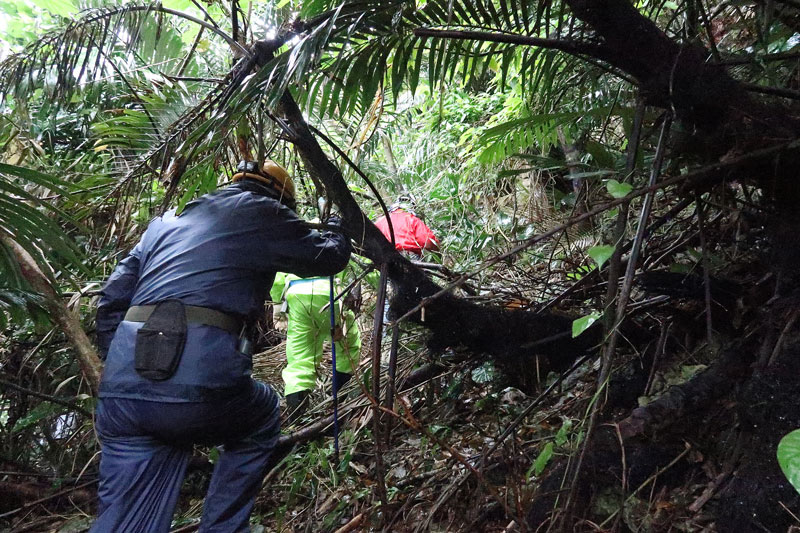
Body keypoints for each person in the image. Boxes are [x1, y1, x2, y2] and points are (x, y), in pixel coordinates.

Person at [92, 160, 351, 533]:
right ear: (282, 199)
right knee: (261, 414)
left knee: (124, 519)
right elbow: (327, 257)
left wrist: (116, 362)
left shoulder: (162, 225)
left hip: (121, 393)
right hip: (200, 389)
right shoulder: (264, 211)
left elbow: (112, 300)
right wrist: (339, 227)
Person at [270, 272, 361, 421]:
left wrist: (277, 303)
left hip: (297, 296)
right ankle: (339, 406)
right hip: (330, 294)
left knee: (299, 360)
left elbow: (277, 271)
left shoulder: (292, 246)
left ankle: (297, 424)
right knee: (347, 348)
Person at [374, 194, 439, 258]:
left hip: (383, 258)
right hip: (408, 257)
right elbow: (428, 242)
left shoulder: (380, 221)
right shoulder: (411, 219)